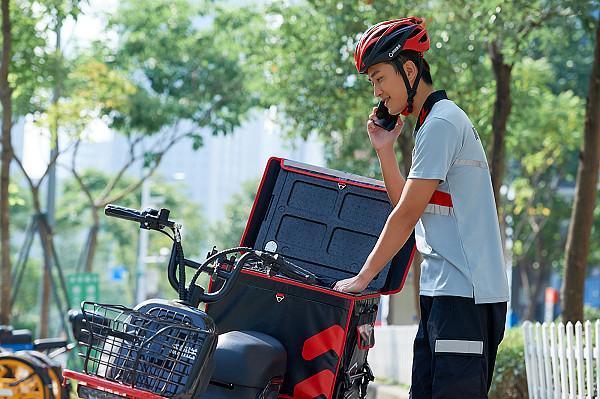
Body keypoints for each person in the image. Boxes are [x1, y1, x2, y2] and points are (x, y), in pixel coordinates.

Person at [333, 17, 510, 398]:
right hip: (444, 294)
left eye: (380, 78)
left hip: (464, 296)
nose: (377, 92)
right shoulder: (431, 124)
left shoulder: (442, 123)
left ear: (409, 70)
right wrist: (385, 149)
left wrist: (363, 278)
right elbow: (408, 205)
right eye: (373, 82)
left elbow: (406, 214)